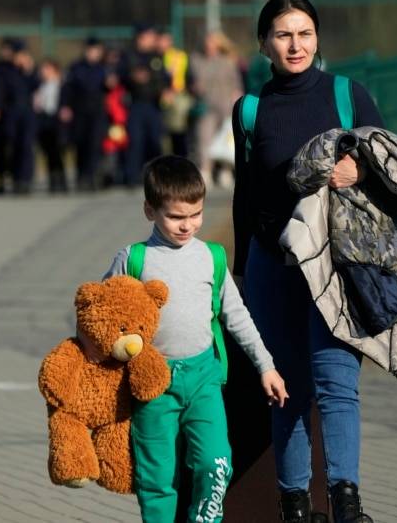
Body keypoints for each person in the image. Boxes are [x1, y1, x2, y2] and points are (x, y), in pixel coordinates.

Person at [231, 0, 384, 523]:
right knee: (286, 389)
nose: (295, 45)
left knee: (337, 382)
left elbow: (393, 167)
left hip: (338, 267)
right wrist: (242, 273)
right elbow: (244, 196)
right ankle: (295, 504)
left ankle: (346, 503)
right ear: (263, 44)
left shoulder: (347, 95)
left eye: (304, 34)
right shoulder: (251, 110)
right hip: (273, 267)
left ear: (317, 39)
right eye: (283, 34)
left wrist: (357, 172)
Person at [95, 156, 287, 522]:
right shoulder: (134, 259)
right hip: (152, 386)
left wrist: (267, 366)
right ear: (150, 210)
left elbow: (237, 317)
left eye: (196, 215)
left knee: (216, 464)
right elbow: (102, 317)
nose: (188, 226)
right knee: (157, 478)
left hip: (204, 379)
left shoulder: (211, 258)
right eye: (176, 217)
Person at [0, 38, 39, 195]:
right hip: (6, 113)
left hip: (26, 113)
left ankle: (23, 180)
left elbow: (37, 86)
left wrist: (28, 70)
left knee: (26, 146)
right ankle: (4, 177)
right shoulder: (0, 68)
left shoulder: (29, 69)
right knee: (6, 147)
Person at [189, 30, 243, 187]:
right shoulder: (195, 60)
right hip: (206, 105)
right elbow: (190, 81)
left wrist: (236, 95)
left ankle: (225, 171)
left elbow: (236, 81)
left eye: (212, 42)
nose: (209, 46)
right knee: (204, 138)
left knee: (226, 140)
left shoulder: (228, 60)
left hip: (226, 105)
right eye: (207, 43)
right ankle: (205, 171)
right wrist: (194, 88)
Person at [123, 24, 169, 186]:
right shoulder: (129, 56)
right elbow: (121, 75)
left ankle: (156, 178)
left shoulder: (156, 56)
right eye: (150, 36)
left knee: (155, 140)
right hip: (135, 103)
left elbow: (164, 77)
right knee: (136, 140)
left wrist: (166, 90)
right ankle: (132, 177)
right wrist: (132, 77)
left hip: (153, 104)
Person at [68, 37, 113, 191]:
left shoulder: (104, 68)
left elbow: (110, 88)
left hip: (97, 112)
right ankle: (82, 176)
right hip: (80, 111)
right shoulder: (76, 68)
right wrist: (66, 107)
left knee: (95, 145)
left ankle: (93, 176)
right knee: (81, 144)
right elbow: (69, 89)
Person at [34, 58, 71, 193]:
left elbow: (67, 102)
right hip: (44, 120)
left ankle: (62, 180)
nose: (43, 72)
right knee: (48, 153)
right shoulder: (40, 86)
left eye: (46, 69)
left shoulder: (63, 85)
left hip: (58, 122)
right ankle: (52, 181)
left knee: (58, 153)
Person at [158, 30, 192, 158]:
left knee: (178, 131)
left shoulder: (179, 56)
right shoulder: (156, 57)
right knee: (164, 136)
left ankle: (181, 160)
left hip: (177, 97)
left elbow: (188, 76)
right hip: (162, 99)